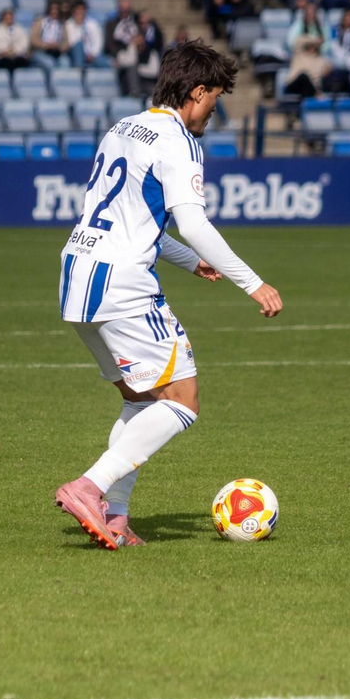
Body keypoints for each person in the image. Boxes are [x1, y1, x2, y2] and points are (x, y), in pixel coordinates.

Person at [52, 42, 281, 550]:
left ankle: (114, 515)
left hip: (77, 273)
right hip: (123, 284)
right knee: (182, 400)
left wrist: (184, 260)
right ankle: (89, 487)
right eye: (214, 101)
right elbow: (193, 221)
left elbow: (130, 214)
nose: (212, 113)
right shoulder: (179, 140)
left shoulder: (122, 127)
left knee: (141, 397)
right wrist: (252, 282)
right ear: (196, 92)